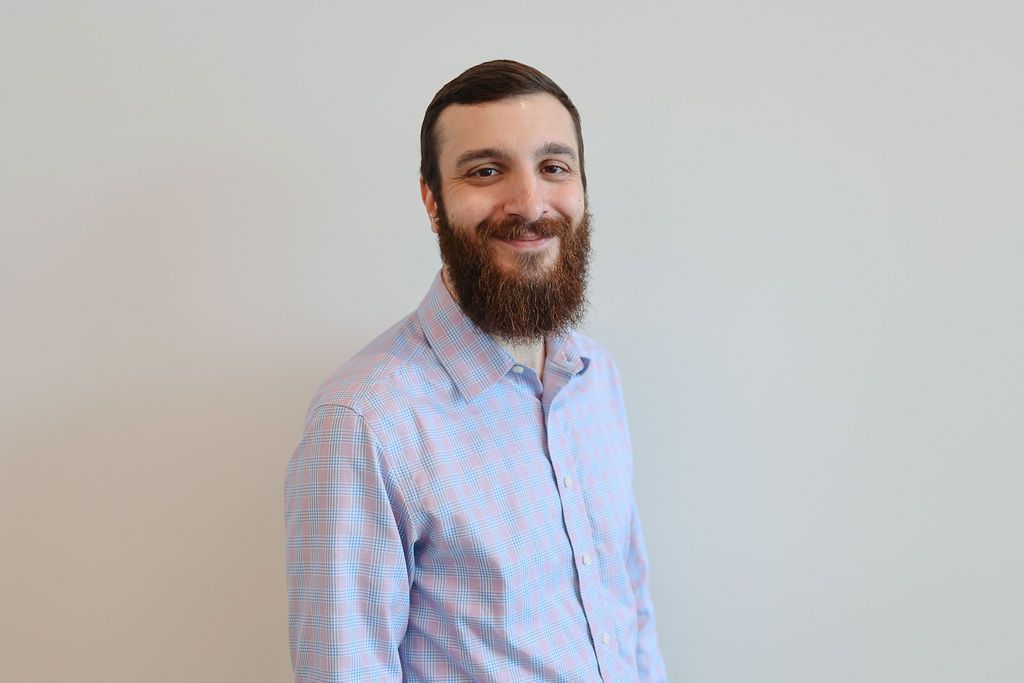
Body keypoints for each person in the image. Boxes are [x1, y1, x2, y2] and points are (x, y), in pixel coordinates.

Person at [285, 59, 666, 682]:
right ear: (433, 201)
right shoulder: (363, 422)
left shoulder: (597, 377)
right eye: (486, 171)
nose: (529, 203)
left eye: (553, 167)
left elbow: (633, 613)